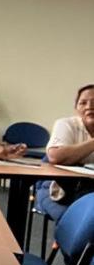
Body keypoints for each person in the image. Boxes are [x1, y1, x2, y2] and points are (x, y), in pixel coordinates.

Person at [39, 83, 94, 216]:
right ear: (76, 108)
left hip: (89, 189)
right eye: (83, 103)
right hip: (59, 188)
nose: (89, 107)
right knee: (79, 219)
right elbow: (55, 156)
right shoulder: (66, 124)